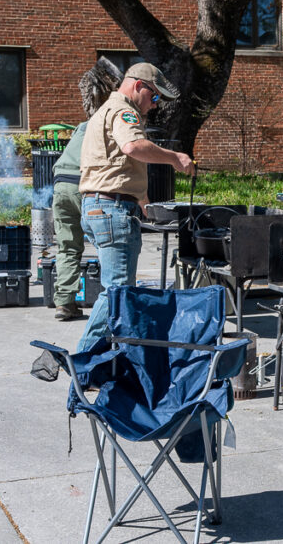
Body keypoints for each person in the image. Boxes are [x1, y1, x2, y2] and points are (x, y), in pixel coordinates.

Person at [76, 63, 196, 351]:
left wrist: (140, 199)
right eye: (154, 97)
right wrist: (174, 158)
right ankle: (83, 361)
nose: (154, 106)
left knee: (117, 290)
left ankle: (109, 361)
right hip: (111, 210)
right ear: (139, 86)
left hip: (100, 207)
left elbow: (114, 162)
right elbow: (132, 147)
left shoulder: (105, 110)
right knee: (118, 292)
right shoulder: (123, 110)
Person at [50, 122, 89, 321]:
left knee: (67, 247)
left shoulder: (82, 126)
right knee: (108, 243)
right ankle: (113, 302)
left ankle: (64, 303)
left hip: (60, 184)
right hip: (84, 184)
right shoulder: (115, 121)